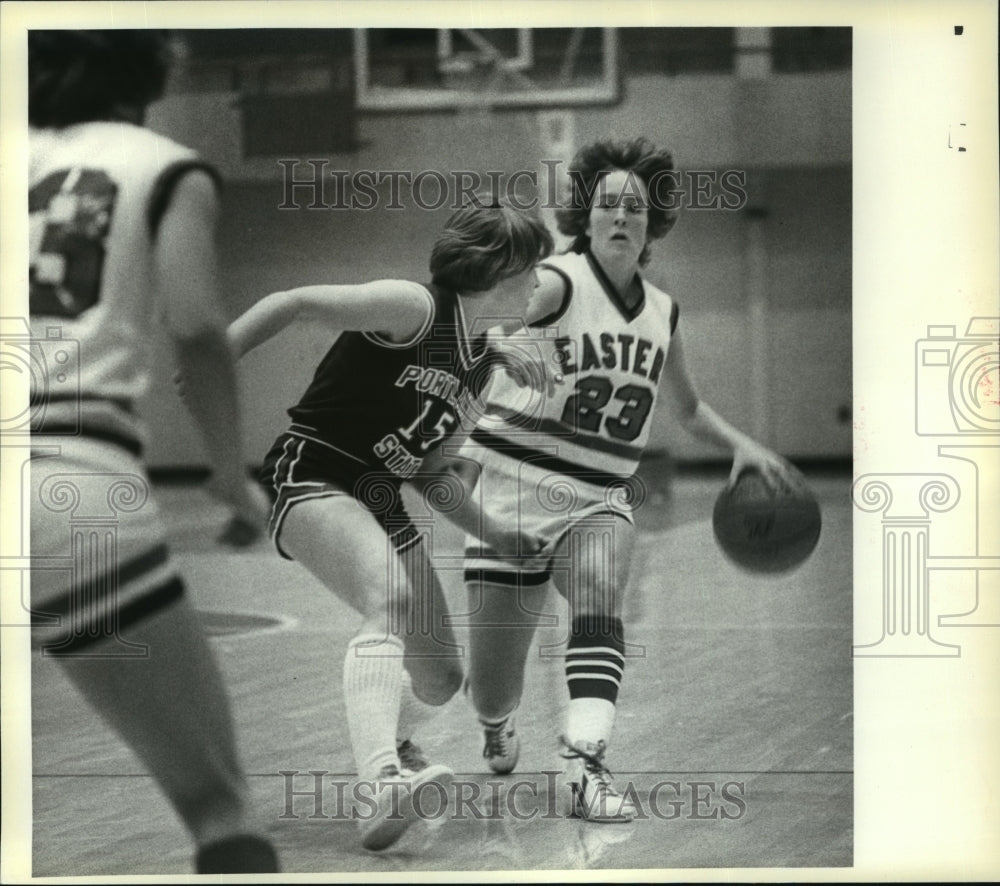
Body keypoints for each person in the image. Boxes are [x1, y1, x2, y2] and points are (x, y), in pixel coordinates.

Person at [459, 137, 803, 822]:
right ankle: (497, 724)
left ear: (651, 225)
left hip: (599, 494)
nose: (621, 216)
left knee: (599, 593)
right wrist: (498, 341)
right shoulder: (556, 280)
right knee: (492, 689)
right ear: (585, 218)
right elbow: (481, 321)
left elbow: (690, 409)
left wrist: (744, 447)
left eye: (635, 208)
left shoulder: (662, 312)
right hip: (512, 488)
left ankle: (584, 765)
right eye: (608, 204)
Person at [26, 31, 279, 872]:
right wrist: (229, 475)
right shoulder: (164, 165)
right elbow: (200, 329)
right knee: (219, 808)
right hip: (68, 490)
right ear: (159, 68)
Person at [228, 200, 553, 850]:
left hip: (381, 500)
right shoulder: (415, 307)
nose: (541, 285)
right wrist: (217, 356)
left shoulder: (484, 365)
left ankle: (387, 734)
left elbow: (433, 475)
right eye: (532, 271)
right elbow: (294, 303)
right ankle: (381, 784)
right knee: (390, 601)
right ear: (497, 267)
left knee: (439, 678)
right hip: (313, 471)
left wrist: (499, 537)